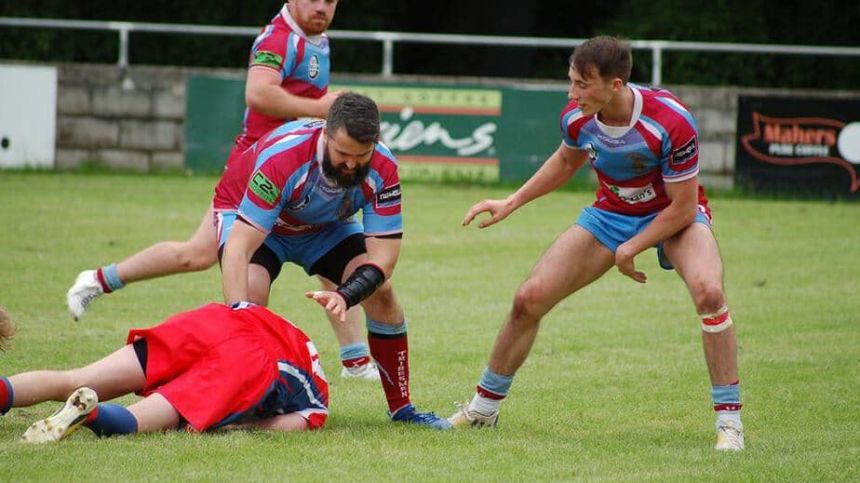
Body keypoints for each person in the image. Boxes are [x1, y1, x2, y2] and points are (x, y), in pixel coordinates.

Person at [446, 36, 744, 451]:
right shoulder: (577, 117)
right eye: (571, 82)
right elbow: (567, 160)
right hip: (610, 215)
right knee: (528, 299)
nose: (572, 94)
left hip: (675, 218)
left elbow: (683, 206)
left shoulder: (671, 119)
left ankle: (729, 425)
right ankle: (483, 409)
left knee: (710, 294)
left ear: (615, 85)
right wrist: (511, 202)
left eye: (582, 85)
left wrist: (632, 247)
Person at [65, 0, 379, 380]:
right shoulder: (278, 39)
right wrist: (318, 108)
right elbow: (258, 94)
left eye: (329, 1)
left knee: (327, 238)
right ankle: (101, 281)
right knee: (199, 256)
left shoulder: (317, 37)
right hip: (257, 167)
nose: (321, 7)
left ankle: (356, 360)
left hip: (301, 169)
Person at [219, 92, 451, 430]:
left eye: (362, 155)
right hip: (258, 224)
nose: (352, 164)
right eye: (343, 153)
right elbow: (239, 248)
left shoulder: (384, 168)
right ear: (325, 134)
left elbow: (382, 260)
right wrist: (237, 318)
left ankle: (402, 408)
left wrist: (346, 293)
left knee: (382, 293)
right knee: (250, 297)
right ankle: (243, 398)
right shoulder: (283, 158)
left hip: (326, 226)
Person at [0, 303, 329, 443]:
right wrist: (240, 424)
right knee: (138, 421)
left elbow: (238, 305)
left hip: (215, 322)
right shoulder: (317, 393)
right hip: (249, 360)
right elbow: (299, 421)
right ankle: (90, 412)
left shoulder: (280, 325)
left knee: (75, 377)